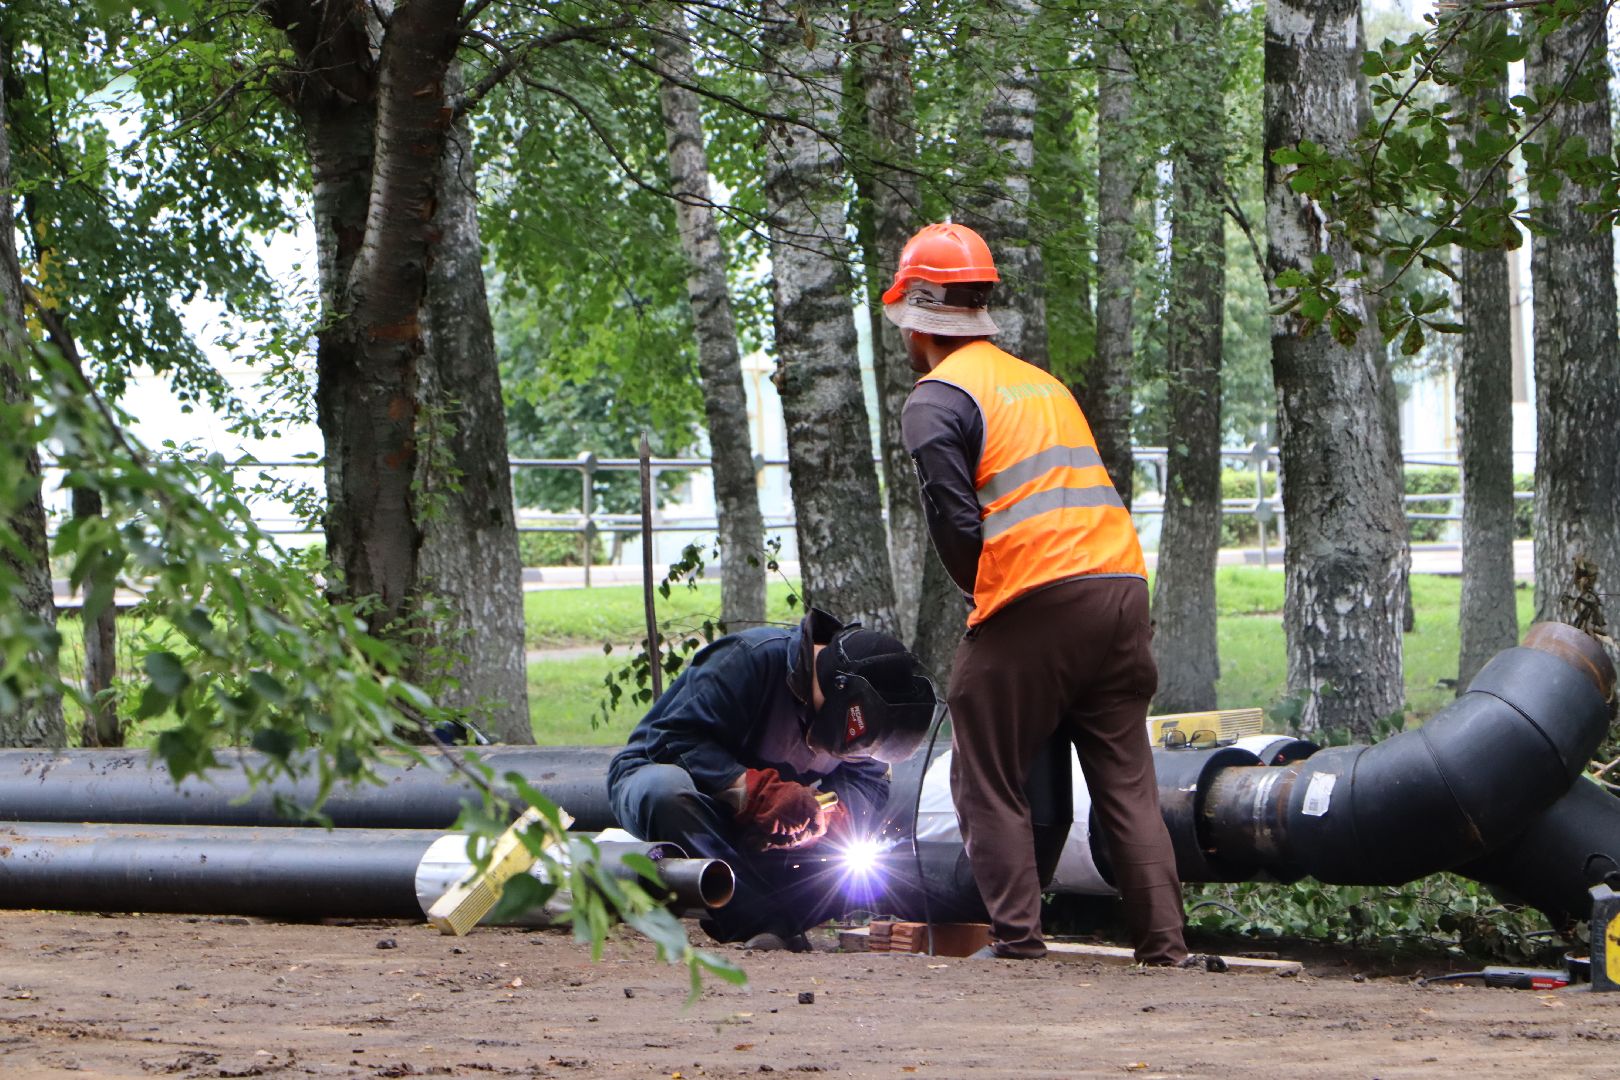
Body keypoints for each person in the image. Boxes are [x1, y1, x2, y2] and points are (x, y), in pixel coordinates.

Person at [888, 222, 1189, 964]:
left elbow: (958, 524)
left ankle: (1019, 940)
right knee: (1126, 781)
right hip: (1121, 591)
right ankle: (1165, 947)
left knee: (983, 762)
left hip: (1038, 596)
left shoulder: (936, 399)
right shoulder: (1040, 383)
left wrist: (979, 599)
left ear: (915, 315)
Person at [607, 608, 938, 950]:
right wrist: (752, 792)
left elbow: (868, 784)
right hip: (683, 794)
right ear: (839, 689)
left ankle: (774, 919)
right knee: (666, 793)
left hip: (773, 834)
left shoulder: (867, 721)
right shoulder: (749, 660)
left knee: (861, 858)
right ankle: (761, 923)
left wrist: (833, 818)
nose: (850, 753)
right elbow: (671, 739)